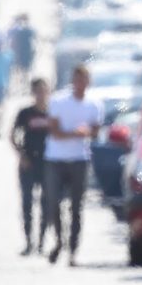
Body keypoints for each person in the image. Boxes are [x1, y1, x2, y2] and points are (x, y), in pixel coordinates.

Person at [43, 65, 103, 267]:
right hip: (56, 159)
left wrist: (83, 133)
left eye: (84, 80)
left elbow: (95, 131)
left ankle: (73, 249)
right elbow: (55, 132)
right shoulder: (59, 101)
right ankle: (59, 240)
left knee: (77, 207)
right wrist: (77, 133)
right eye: (77, 80)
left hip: (79, 159)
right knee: (53, 203)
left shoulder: (94, 104)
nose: (80, 85)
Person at [12, 78, 51, 255]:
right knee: (27, 203)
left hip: (48, 163)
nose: (41, 95)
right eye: (38, 91)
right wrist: (21, 155)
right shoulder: (25, 113)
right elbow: (14, 135)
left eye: (44, 91)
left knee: (46, 203)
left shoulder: (53, 113)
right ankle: (29, 242)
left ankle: (42, 241)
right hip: (28, 163)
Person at [8, 14, 36, 85]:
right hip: (25, 52)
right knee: (23, 70)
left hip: (23, 52)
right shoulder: (29, 30)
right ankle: (23, 84)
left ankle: (22, 84)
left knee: (21, 69)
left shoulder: (21, 30)